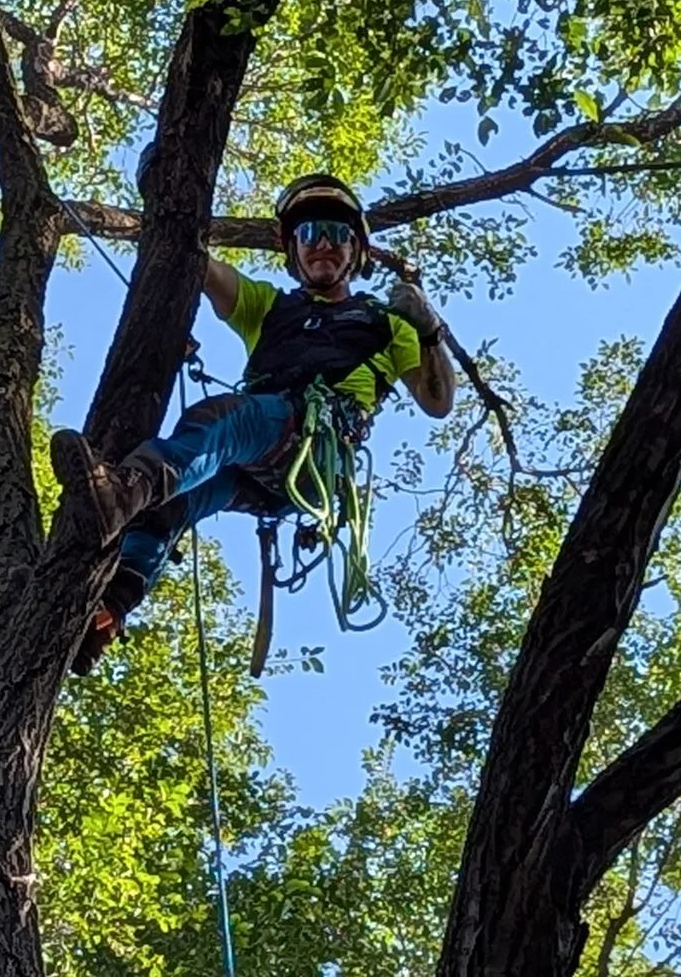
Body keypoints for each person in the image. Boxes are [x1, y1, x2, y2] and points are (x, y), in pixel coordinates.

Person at [51, 173, 456, 674]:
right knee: (171, 504)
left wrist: (430, 330)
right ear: (293, 250)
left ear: (356, 249)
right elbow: (199, 264)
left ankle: (123, 491)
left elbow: (438, 402)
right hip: (258, 465)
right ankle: (105, 613)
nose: (322, 245)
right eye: (309, 235)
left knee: (222, 420)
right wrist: (164, 190)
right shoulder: (269, 307)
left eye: (335, 232)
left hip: (313, 453)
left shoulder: (386, 324)